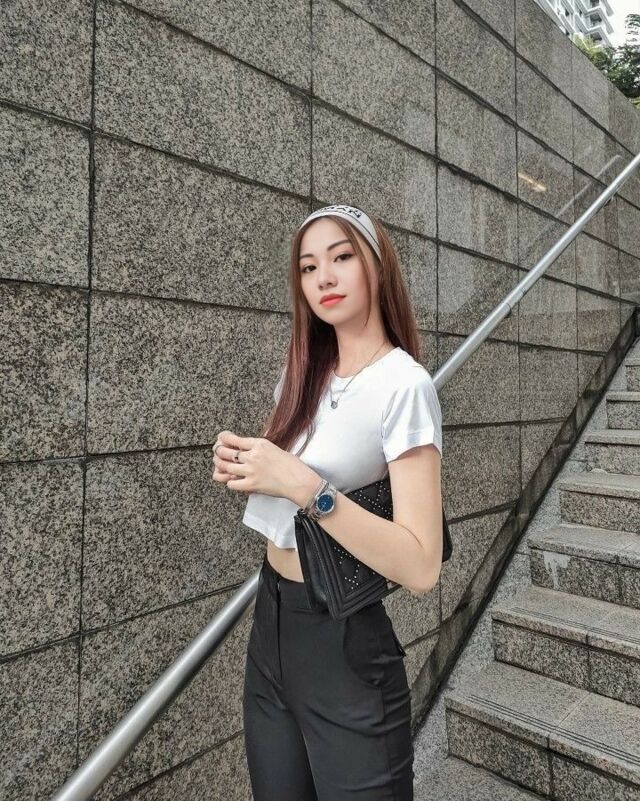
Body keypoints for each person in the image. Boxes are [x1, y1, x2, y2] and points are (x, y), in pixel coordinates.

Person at [211, 204, 443, 800]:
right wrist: (248, 466)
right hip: (271, 626)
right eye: (309, 267)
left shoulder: (404, 385)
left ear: (377, 267)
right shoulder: (303, 374)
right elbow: (283, 486)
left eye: (342, 257)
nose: (325, 278)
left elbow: (422, 565)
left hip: (344, 642)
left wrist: (303, 486)